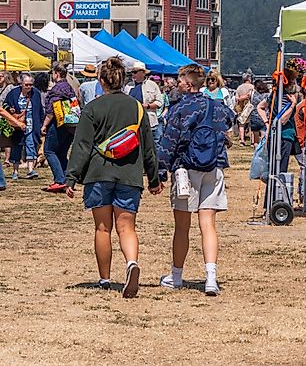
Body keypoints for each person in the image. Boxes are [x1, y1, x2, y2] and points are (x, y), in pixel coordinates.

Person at [64, 57, 162, 297]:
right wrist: (154, 179)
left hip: (99, 173)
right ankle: (131, 263)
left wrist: (71, 178)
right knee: (127, 227)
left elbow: (82, 146)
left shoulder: (92, 108)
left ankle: (105, 279)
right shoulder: (137, 108)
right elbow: (148, 148)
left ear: (101, 80)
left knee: (102, 228)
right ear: (123, 80)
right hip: (129, 174)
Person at [157, 64, 235, 296]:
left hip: (186, 169)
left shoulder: (180, 108)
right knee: (208, 224)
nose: (177, 84)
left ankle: (176, 275)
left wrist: (159, 172)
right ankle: (211, 278)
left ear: (189, 84)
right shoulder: (217, 106)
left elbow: (168, 143)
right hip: (214, 166)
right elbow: (230, 120)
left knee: (182, 227)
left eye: (180, 80)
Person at [41, 63, 78, 193]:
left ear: (56, 73)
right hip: (71, 125)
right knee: (62, 153)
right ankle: (69, 181)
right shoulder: (69, 87)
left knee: (49, 151)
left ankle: (59, 180)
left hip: (58, 124)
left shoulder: (56, 89)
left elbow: (51, 110)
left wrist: (44, 125)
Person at [6, 73, 44, 180]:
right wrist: (10, 109)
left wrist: (41, 124)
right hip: (17, 125)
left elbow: (40, 109)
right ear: (21, 83)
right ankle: (15, 171)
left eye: (30, 84)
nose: (29, 87)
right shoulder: (13, 93)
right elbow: (5, 105)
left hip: (31, 124)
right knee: (17, 146)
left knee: (31, 145)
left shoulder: (35, 93)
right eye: (26, 84)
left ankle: (30, 169)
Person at [123, 62, 164, 144]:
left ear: (143, 73)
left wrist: (148, 106)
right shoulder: (128, 86)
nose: (133, 74)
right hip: (132, 123)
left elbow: (159, 102)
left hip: (149, 122)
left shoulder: (152, 85)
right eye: (132, 72)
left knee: (153, 145)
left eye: (135, 72)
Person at [247, 80, 270, 146]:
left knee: (255, 138)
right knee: (263, 136)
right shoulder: (267, 95)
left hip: (254, 117)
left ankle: (256, 149)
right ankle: (262, 149)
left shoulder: (252, 94)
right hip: (265, 117)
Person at [234, 74, 255, 146]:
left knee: (241, 124)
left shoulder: (239, 87)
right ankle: (253, 141)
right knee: (251, 125)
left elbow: (236, 98)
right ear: (249, 79)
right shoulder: (252, 87)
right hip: (251, 107)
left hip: (241, 107)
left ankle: (242, 140)